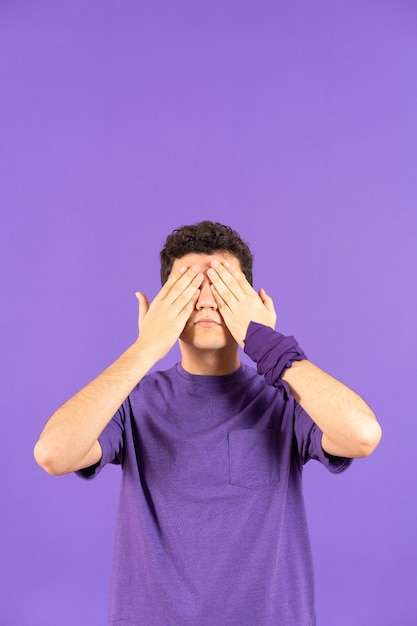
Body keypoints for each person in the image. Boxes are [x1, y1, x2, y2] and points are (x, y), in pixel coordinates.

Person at [34, 221, 382, 626]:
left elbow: (363, 434)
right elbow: (53, 453)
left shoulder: (287, 399)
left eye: (222, 287)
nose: (205, 302)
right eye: (187, 289)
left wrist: (268, 344)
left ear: (251, 299)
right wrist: (146, 348)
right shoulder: (133, 403)